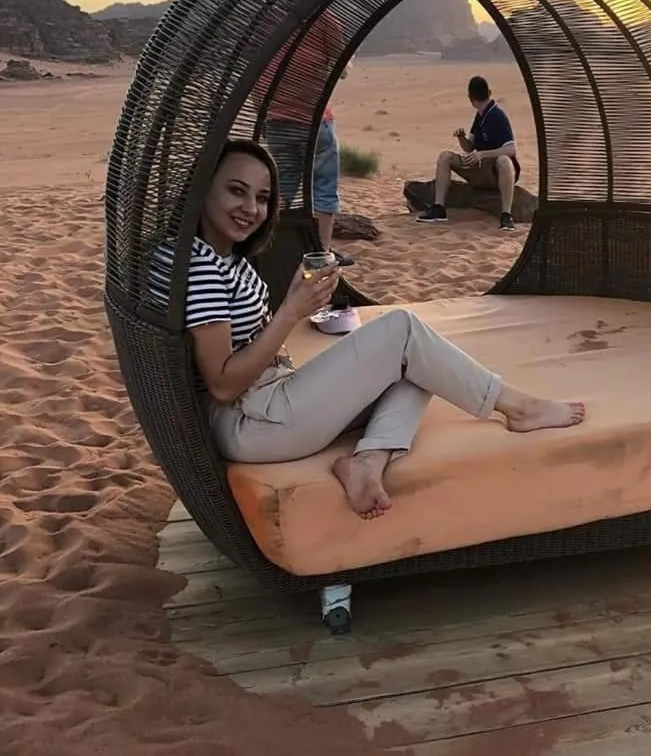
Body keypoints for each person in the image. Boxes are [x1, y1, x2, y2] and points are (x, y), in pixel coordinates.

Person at [149, 139, 585, 520]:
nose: (251, 208)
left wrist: (294, 309)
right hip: (251, 420)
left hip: (267, 400)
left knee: (422, 365)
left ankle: (368, 461)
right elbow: (223, 385)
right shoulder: (200, 268)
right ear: (203, 187)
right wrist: (289, 313)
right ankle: (517, 407)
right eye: (236, 191)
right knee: (402, 331)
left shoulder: (218, 255)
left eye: (262, 198)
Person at [255, 11, 354, 266]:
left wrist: (264, 118)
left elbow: (258, 79)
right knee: (324, 187)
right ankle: (322, 253)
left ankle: (266, 247)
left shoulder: (268, 19)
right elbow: (342, 68)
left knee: (284, 188)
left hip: (276, 121)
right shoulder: (324, 18)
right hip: (314, 121)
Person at [417, 75, 521, 232]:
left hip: (495, 171)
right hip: (479, 166)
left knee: (504, 160)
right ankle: (439, 207)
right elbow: (469, 148)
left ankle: (506, 214)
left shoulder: (497, 115)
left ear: (471, 99)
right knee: (445, 156)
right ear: (489, 92)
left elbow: (511, 149)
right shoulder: (480, 116)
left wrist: (483, 154)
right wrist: (461, 138)